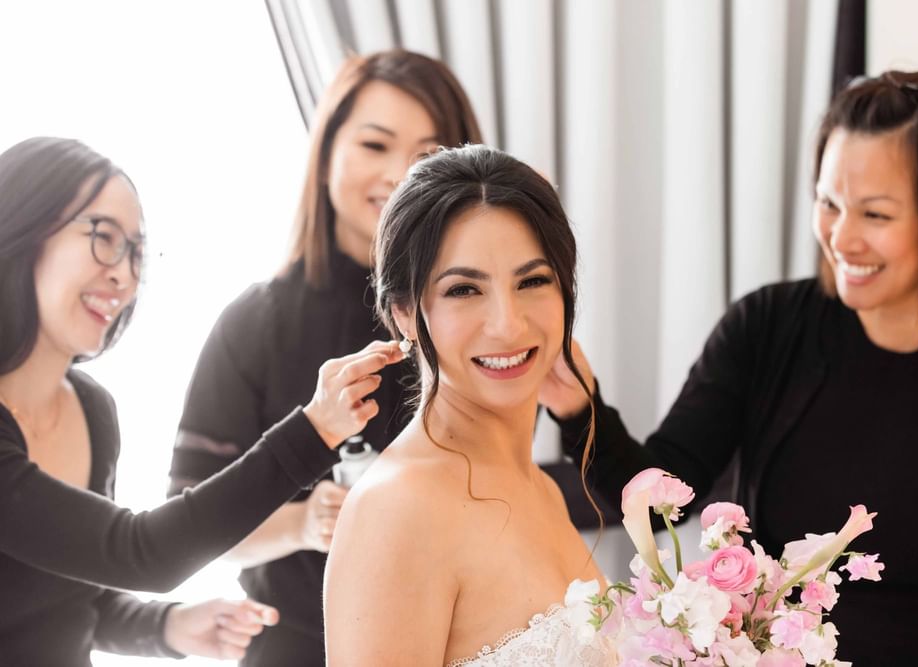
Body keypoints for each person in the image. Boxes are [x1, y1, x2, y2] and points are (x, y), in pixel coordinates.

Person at [540, 70, 918, 665]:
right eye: (828, 202)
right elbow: (660, 496)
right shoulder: (767, 327)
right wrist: (581, 408)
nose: (841, 237)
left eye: (876, 216)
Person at [0, 136, 403, 665]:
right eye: (103, 236)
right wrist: (313, 432)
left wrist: (168, 626)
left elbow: (76, 600)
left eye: (136, 251)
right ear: (21, 227)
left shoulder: (93, 413)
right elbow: (138, 552)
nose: (123, 274)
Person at [167, 49, 483, 665]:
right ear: (327, 152)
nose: (399, 176)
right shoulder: (253, 323)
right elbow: (187, 531)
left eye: (427, 155)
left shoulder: (469, 321)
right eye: (375, 145)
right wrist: (304, 521)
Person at [322, 144, 616, 666]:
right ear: (406, 313)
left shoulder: (541, 489)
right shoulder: (396, 510)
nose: (508, 324)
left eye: (532, 281)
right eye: (464, 290)